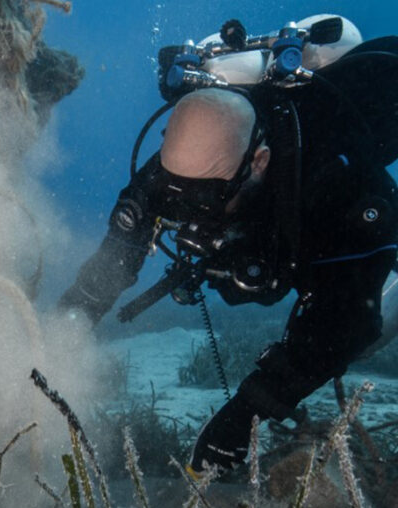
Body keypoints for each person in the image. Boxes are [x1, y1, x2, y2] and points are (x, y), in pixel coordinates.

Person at [59, 34, 398, 476]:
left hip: (356, 149)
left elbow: (348, 319)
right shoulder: (173, 170)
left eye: (208, 202)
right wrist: (63, 330)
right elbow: (114, 259)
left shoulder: (332, 184)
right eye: (175, 202)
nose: (191, 222)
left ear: (258, 161)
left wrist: (247, 414)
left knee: (368, 333)